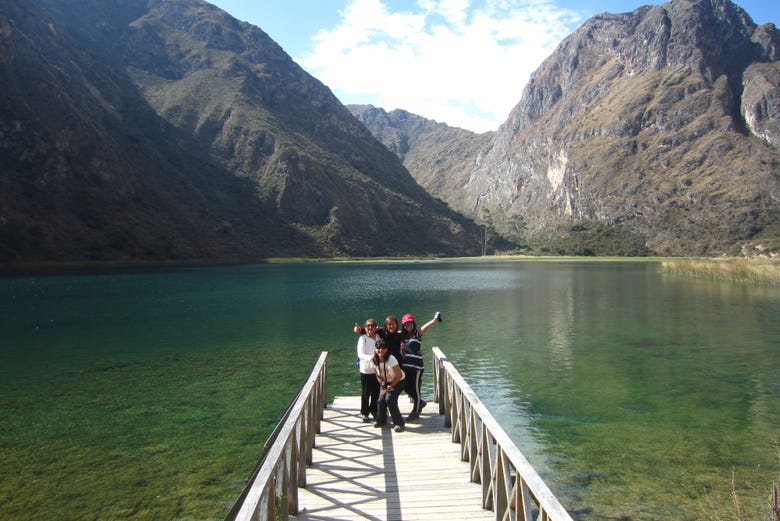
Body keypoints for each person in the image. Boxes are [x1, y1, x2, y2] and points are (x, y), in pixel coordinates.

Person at [400, 311, 441, 422]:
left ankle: (416, 411)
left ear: (413, 323)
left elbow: (425, 327)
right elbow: (388, 332)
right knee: (405, 386)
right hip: (405, 366)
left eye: (410, 323)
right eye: (406, 324)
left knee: (416, 388)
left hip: (416, 367)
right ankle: (421, 402)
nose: (408, 326)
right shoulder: (402, 336)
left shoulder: (417, 334)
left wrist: (434, 320)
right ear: (403, 326)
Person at [372, 338, 406, 432]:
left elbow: (399, 375)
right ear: (375, 349)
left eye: (383, 348)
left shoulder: (391, 359)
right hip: (385, 382)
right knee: (380, 400)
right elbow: (377, 375)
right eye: (378, 348)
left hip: (398, 381)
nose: (381, 350)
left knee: (390, 399)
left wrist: (390, 386)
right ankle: (381, 420)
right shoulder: (374, 360)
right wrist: (383, 384)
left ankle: (399, 423)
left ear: (387, 349)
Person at [356, 319, 381, 422]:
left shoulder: (378, 337)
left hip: (376, 369)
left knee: (376, 393)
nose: (370, 328)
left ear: (376, 327)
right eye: (368, 326)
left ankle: (374, 411)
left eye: (372, 326)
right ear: (365, 328)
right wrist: (371, 357)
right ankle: (365, 413)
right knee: (366, 393)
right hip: (366, 370)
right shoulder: (362, 339)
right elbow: (360, 354)